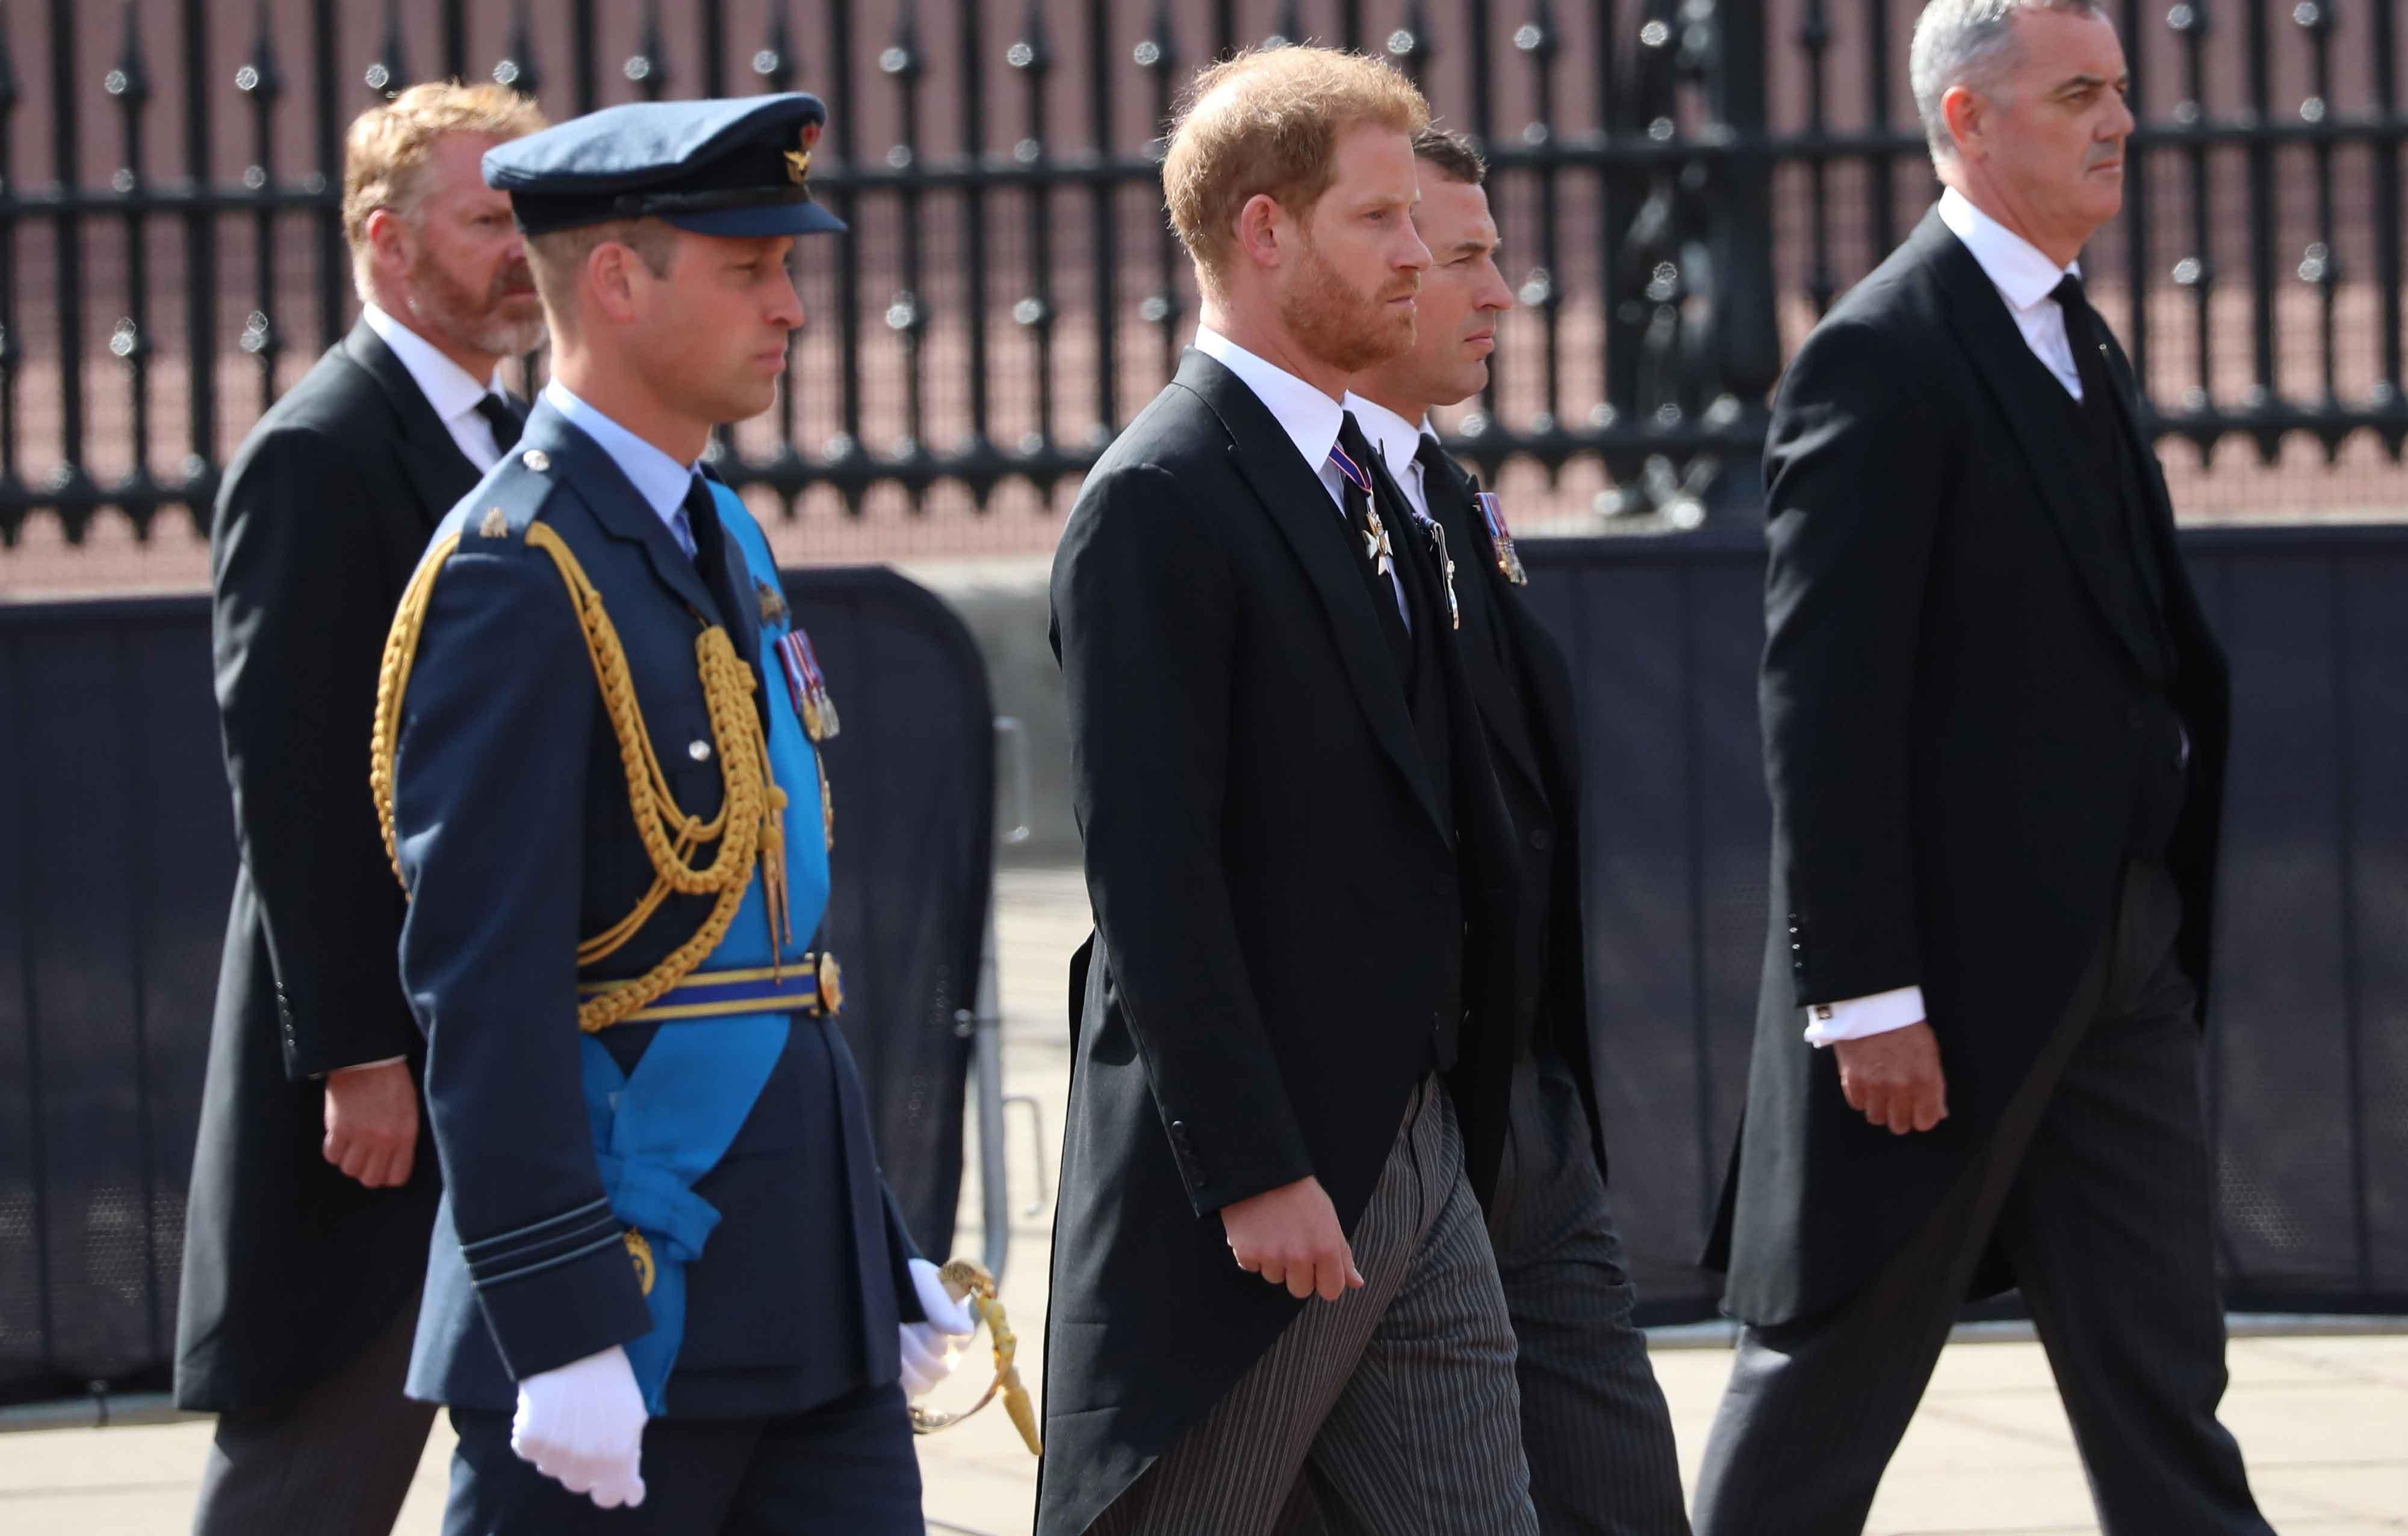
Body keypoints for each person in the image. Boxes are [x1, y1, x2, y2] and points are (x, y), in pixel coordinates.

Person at [1692, 4, 2273, 1532]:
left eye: (2121, 92)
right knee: (1830, 1370)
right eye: (2078, 93)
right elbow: (1821, 707)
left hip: (2114, 961)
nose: (2117, 122)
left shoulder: (2068, 323)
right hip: (1940, 997)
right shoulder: (1879, 356)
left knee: (2162, 1378)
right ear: (1965, 119)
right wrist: (1866, 995)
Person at [371, 93, 973, 1534]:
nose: (792, 309)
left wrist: (869, 1245)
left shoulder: (714, 531)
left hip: (796, 1285)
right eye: (750, 269)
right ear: (617, 281)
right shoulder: (518, 570)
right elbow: (484, 982)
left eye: (789, 270)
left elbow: (769, 946)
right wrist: (561, 1319)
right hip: (632, 1290)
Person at [1041, 46, 1541, 1536]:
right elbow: (1151, 875)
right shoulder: (1159, 497)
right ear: (1263, 233)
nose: (1417, 254)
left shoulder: (1377, 481)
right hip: (1261, 1193)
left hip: (1413, 1143)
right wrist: (1255, 1171)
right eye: (1378, 220)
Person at [179, 80, 547, 1536]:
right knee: (315, 1466)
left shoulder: (514, 433)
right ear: (389, 246)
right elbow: (293, 787)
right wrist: (352, 1058)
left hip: (497, 1055)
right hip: (380, 1088)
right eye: (490, 221)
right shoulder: (321, 452)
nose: (527, 251)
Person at [1344, 126, 1691, 1536]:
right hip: (1393, 1130)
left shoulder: (1440, 491)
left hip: (1522, 1108)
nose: (1496, 289)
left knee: (1618, 1486)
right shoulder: (1272, 507)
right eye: (1460, 251)